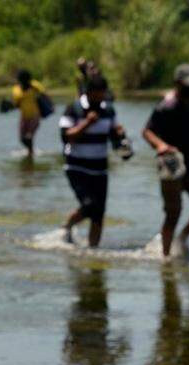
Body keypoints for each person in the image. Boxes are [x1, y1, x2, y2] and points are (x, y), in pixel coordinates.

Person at [141, 63, 189, 258]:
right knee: (173, 214)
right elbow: (147, 132)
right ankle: (166, 258)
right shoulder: (164, 107)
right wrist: (160, 145)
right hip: (172, 164)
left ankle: (183, 236)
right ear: (177, 84)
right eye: (187, 87)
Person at [58, 75, 128, 248]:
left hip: (100, 168)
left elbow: (114, 138)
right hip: (76, 167)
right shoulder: (73, 109)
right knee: (89, 206)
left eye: (103, 95)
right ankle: (67, 225)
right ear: (88, 93)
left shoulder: (109, 110)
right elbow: (66, 137)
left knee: (99, 213)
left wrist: (120, 135)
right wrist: (87, 123)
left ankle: (93, 250)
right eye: (97, 95)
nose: (100, 99)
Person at [11, 69, 48, 152]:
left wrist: (50, 105)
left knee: (29, 136)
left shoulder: (35, 86)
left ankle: (30, 153)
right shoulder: (16, 90)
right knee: (22, 138)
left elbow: (45, 95)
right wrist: (9, 106)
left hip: (35, 116)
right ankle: (30, 152)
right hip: (24, 117)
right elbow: (16, 104)